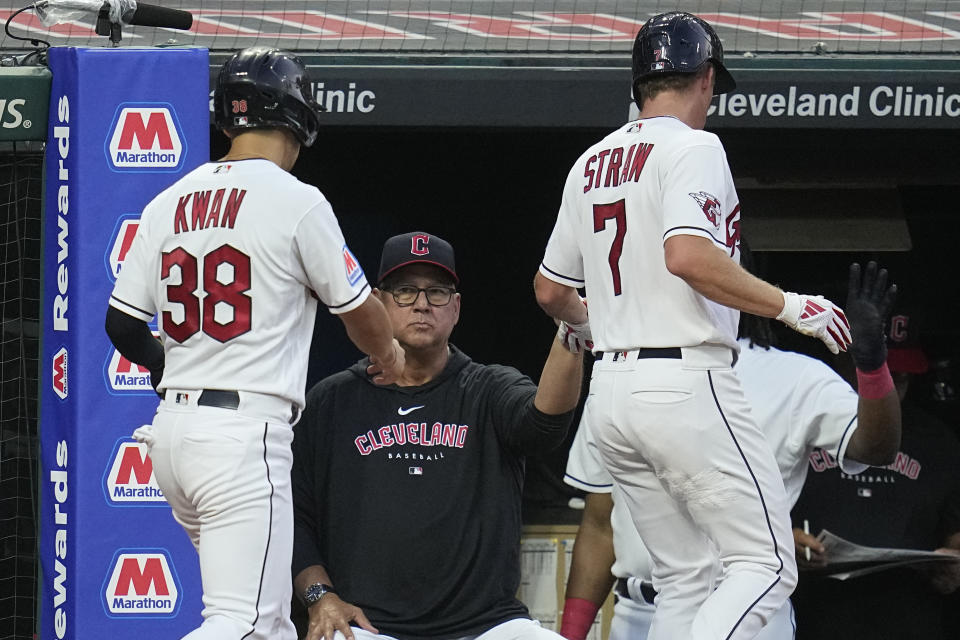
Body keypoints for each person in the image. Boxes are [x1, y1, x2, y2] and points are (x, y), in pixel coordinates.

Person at [533, 12, 855, 639]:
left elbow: (549, 289)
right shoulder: (694, 145)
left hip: (612, 392)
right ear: (706, 78)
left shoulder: (589, 161)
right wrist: (790, 306)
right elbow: (688, 255)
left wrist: (596, 326)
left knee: (686, 577)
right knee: (766, 564)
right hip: (684, 376)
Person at [104, 47, 404, 640]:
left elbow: (122, 326)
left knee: (261, 624)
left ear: (225, 119)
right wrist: (389, 355)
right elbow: (359, 311)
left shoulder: (168, 200)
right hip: (242, 439)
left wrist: (181, 366)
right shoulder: (296, 199)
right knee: (243, 625)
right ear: (297, 119)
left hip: (173, 437)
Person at [558, 260, 901, 640]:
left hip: (748, 619)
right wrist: (570, 635)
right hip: (640, 613)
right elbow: (600, 525)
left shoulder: (794, 376)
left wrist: (871, 366)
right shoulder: (620, 373)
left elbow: (876, 447)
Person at [291, 231, 585, 640]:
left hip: (488, 626)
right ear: (377, 302)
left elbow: (544, 426)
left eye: (438, 292)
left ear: (457, 307)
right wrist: (321, 597)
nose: (423, 304)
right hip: (370, 627)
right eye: (405, 291)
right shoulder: (331, 401)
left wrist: (573, 331)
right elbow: (293, 518)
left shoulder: (488, 388)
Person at [790, 311, 960, 640]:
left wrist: (953, 565)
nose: (887, 389)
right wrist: (783, 540)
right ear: (842, 367)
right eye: (874, 374)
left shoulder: (938, 440)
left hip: (908, 616)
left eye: (900, 378)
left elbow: (955, 530)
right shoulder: (801, 423)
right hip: (812, 613)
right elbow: (741, 511)